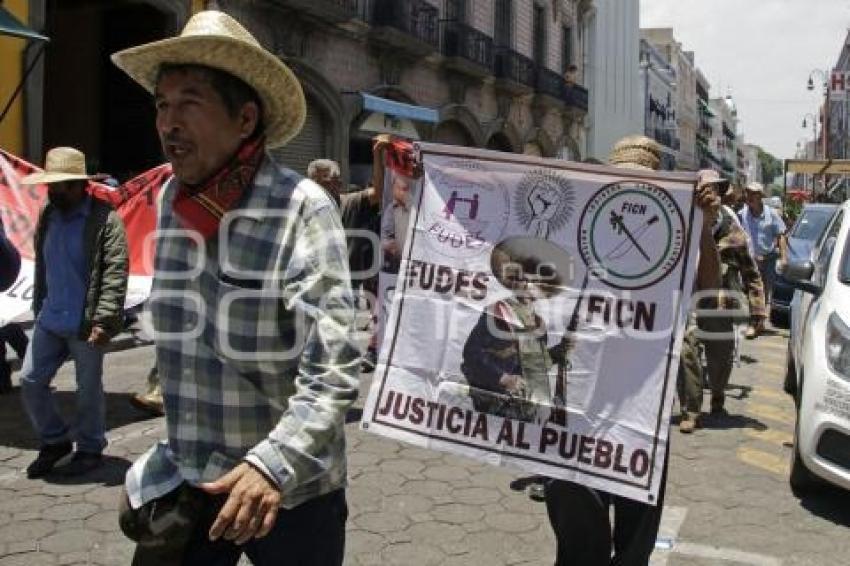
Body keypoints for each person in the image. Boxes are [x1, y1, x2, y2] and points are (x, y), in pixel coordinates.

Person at [111, 11, 359, 565]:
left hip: (290, 489)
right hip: (190, 475)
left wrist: (272, 464)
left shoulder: (302, 209)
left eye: (189, 103)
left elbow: (336, 367)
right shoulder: (169, 201)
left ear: (245, 119)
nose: (168, 123)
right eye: (162, 105)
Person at [543, 135, 721, 566]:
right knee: (578, 543)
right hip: (576, 407)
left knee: (634, 545)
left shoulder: (672, 237)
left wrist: (704, 228)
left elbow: (711, 294)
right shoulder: (578, 228)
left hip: (641, 412)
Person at [19, 146, 129, 478]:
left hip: (86, 322)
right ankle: (54, 441)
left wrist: (105, 319)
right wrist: (39, 304)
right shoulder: (48, 214)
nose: (53, 191)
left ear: (80, 185)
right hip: (50, 317)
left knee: (88, 389)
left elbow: (115, 271)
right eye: (51, 185)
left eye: (61, 185)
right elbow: (44, 263)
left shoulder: (104, 220)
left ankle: (91, 448)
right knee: (30, 380)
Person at [677, 170, 765, 433]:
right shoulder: (682, 219)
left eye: (713, 189)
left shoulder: (731, 226)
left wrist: (758, 310)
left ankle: (717, 397)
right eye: (702, 189)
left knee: (720, 358)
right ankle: (690, 410)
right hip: (689, 299)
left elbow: (749, 269)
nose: (707, 194)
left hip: (721, 302)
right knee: (686, 353)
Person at [461, 239, 571, 423]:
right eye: (524, 279)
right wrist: (503, 378)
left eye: (536, 281)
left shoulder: (538, 324)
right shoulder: (498, 312)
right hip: (496, 401)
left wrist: (559, 352)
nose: (529, 286)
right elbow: (472, 354)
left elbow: (536, 365)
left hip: (527, 405)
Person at [739, 182, 786, 314]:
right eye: (747, 193)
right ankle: (755, 317)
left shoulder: (771, 214)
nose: (749, 196)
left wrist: (783, 258)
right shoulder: (742, 215)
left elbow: (781, 235)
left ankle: (760, 317)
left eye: (753, 194)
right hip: (749, 259)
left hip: (768, 259)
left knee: (766, 290)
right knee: (751, 289)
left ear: (760, 196)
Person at [0, 218, 26, 394]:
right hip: (6, 269)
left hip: (4, 270)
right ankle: (2, 380)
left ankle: (34, 363)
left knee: (5, 326)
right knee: (4, 326)